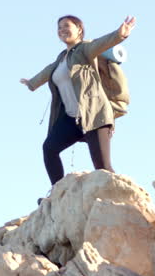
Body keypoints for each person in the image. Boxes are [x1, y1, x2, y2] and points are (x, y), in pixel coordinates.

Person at [20, 14, 136, 186]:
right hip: (71, 119)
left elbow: (101, 43)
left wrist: (120, 34)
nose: (62, 30)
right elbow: (48, 72)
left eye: (66, 26)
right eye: (59, 28)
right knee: (49, 149)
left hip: (95, 115)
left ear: (79, 29)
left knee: (102, 168)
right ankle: (58, 192)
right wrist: (31, 83)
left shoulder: (84, 49)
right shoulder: (61, 59)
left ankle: (121, 194)